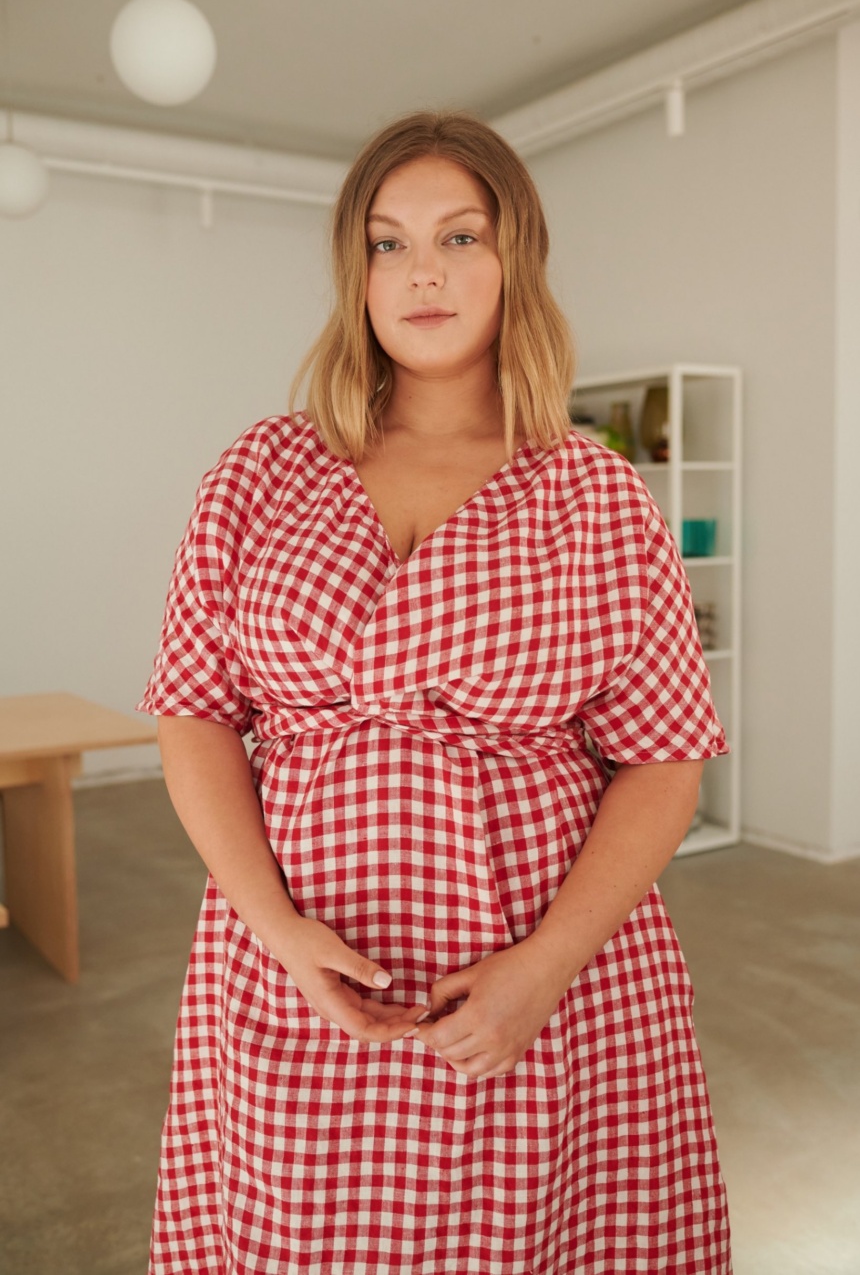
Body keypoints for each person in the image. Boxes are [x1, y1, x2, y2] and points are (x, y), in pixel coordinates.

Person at [138, 109, 732, 1274]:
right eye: (385, 243)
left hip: (544, 978)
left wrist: (542, 967)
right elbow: (195, 711)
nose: (421, 273)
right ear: (352, 274)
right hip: (297, 970)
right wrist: (277, 935)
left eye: (459, 237)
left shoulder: (593, 496)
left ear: (516, 257)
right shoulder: (264, 470)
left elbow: (664, 758)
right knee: (294, 1229)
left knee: (542, 1234)